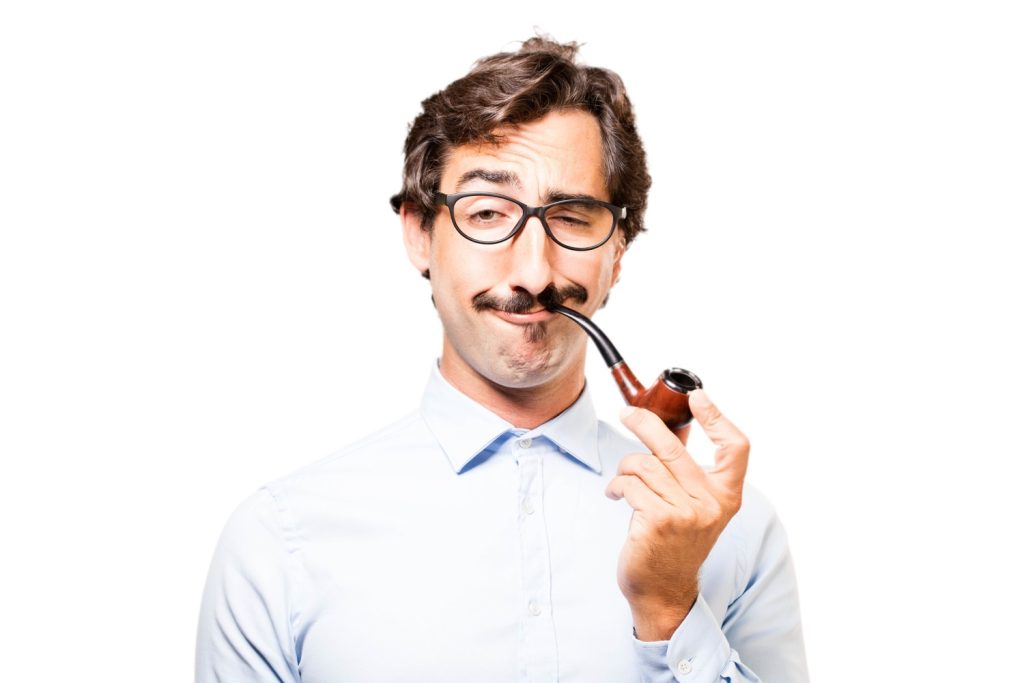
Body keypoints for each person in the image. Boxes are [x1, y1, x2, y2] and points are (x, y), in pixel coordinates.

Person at [195, 36, 808, 683]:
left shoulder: (733, 534)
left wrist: (670, 606)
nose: (533, 271)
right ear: (417, 232)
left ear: (617, 253)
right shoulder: (278, 541)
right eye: (488, 212)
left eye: (572, 217)